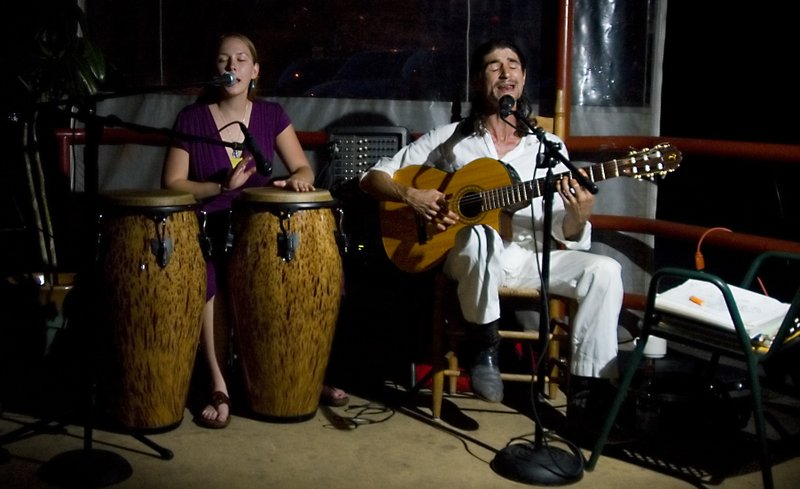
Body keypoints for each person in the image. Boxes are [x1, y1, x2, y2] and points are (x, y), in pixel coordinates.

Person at [359, 39, 623, 414]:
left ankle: (589, 392)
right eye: (493, 65)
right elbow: (372, 177)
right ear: (479, 80)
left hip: (532, 258)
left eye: (513, 64)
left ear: (523, 78)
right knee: (481, 234)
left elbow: (568, 232)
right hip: (469, 258)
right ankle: (485, 349)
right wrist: (410, 195)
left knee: (605, 270)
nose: (505, 71)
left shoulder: (547, 147)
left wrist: (580, 213)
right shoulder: (451, 139)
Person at [163, 32, 348, 429]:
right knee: (209, 279)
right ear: (215, 70)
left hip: (259, 227)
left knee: (290, 278)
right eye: (223, 60)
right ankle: (219, 383)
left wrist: (296, 180)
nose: (232, 66)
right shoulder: (191, 119)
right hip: (208, 225)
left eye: (241, 59)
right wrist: (219, 187)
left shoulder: (271, 116)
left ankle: (297, 377)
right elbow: (173, 183)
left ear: (255, 71)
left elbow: (303, 168)